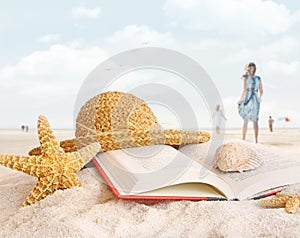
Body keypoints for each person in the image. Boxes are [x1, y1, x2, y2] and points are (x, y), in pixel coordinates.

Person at [237, 62, 263, 143]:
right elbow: (261, 91)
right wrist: (259, 98)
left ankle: (243, 139)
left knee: (246, 120)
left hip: (247, 99)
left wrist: (240, 99)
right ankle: (256, 140)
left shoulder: (245, 77)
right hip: (255, 100)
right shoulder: (258, 78)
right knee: (255, 120)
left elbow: (244, 90)